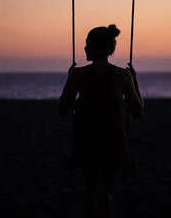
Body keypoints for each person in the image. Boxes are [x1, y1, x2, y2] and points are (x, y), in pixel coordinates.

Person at [59, 24, 144, 218]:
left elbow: (62, 109)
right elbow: (138, 110)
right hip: (114, 140)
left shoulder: (78, 74)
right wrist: (135, 81)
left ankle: (94, 202)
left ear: (96, 47)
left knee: (89, 188)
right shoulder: (124, 75)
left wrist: (68, 80)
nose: (85, 48)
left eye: (88, 44)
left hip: (86, 140)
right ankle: (107, 200)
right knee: (108, 189)